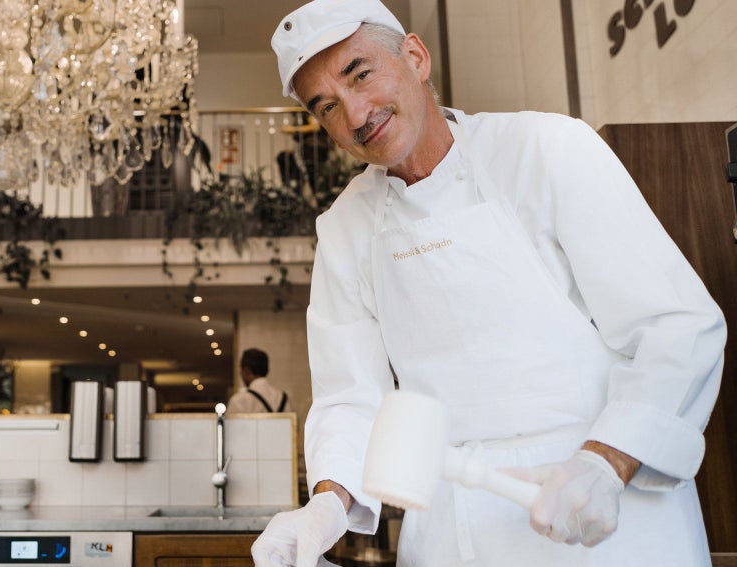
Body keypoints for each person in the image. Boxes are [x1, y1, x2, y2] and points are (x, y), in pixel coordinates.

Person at [252, 0, 726, 566]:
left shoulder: (547, 150)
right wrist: (326, 505)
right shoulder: (346, 228)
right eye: (326, 106)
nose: (355, 115)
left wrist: (607, 461)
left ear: (415, 56)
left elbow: (673, 325)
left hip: (604, 515)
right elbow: (350, 397)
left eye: (361, 73)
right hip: (455, 529)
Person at [228, 348, 293, 413]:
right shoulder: (284, 398)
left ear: (246, 371)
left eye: (241, 371)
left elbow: (231, 423)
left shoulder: (239, 401)